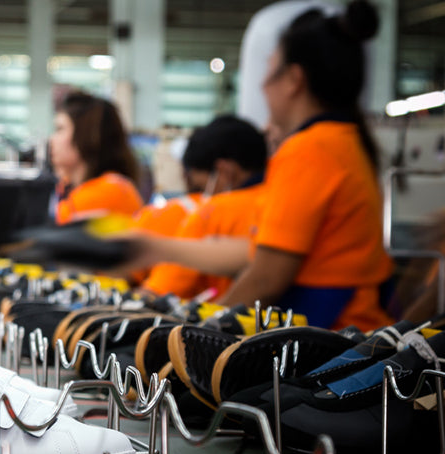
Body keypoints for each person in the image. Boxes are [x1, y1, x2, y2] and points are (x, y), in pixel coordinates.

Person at [127, 0, 392, 331]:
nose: (262, 85)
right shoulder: (346, 141)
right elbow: (259, 257)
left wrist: (198, 333)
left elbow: (267, 278)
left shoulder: (310, 150)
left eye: (269, 69)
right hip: (348, 333)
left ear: (294, 79)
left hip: (325, 340)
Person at [138, 115, 268, 299]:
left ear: (224, 171)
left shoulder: (213, 212)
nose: (198, 197)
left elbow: (155, 294)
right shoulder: (289, 200)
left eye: (199, 187)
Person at [50, 91, 143, 225]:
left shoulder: (105, 193)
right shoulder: (73, 187)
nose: (52, 139)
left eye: (60, 129)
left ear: (86, 135)